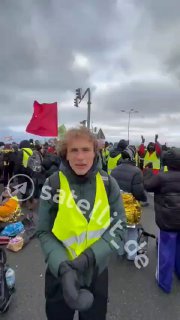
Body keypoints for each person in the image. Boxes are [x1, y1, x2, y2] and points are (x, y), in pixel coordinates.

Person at [37, 127, 126, 320]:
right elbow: (44, 231)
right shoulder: (53, 185)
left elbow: (119, 229)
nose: (80, 157)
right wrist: (63, 266)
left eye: (86, 150)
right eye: (74, 150)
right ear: (65, 154)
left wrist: (88, 258)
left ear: (95, 152)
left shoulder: (109, 184)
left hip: (96, 272)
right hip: (60, 274)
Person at [144, 148, 180, 293]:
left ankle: (164, 282)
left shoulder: (161, 177)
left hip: (168, 221)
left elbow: (147, 186)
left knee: (166, 250)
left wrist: (146, 173)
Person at [111, 145, 147, 260]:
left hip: (116, 206)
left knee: (119, 229)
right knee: (132, 231)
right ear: (133, 156)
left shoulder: (114, 170)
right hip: (130, 207)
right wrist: (144, 198)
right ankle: (131, 255)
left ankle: (120, 252)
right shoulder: (136, 172)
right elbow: (138, 192)